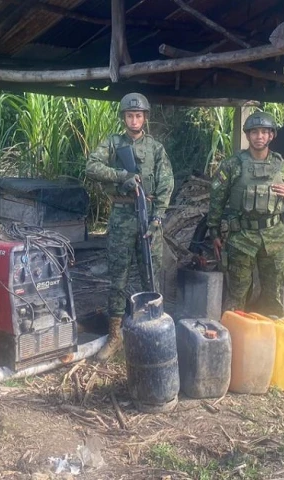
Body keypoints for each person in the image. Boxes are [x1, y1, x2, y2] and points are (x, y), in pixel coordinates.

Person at [85, 93, 174, 362]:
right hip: (122, 214)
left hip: (148, 218)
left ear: (145, 118)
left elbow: (166, 184)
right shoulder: (113, 144)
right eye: (129, 115)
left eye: (138, 115)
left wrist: (157, 218)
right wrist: (122, 176)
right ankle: (115, 335)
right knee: (118, 278)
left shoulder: (156, 149)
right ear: (123, 118)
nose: (134, 120)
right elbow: (91, 166)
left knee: (151, 275)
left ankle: (151, 331)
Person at [207, 111, 284, 317]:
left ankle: (268, 342)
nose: (259, 136)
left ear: (271, 136)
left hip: (275, 238)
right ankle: (233, 341)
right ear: (248, 135)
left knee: (274, 295)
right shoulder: (233, 165)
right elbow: (217, 199)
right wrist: (214, 232)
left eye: (264, 132)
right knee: (237, 294)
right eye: (254, 132)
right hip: (241, 238)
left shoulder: (282, 167)